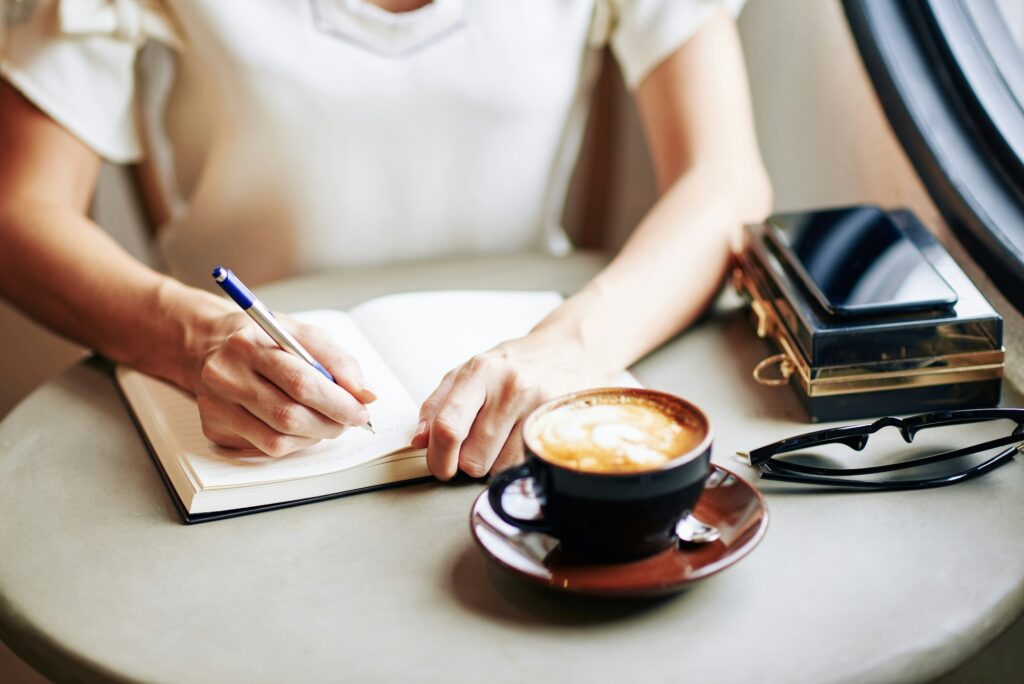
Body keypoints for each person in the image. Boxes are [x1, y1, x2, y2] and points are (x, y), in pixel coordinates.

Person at [0, 0, 771, 480]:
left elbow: (726, 179)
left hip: (525, 377)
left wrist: (575, 341)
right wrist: (194, 336)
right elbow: (20, 209)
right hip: (240, 408)